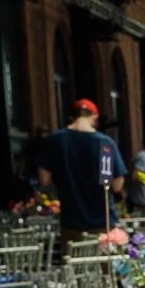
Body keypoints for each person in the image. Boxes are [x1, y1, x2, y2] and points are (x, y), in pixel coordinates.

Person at [36, 99, 127, 244]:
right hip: (103, 223)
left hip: (71, 222)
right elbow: (116, 185)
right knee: (106, 265)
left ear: (71, 117)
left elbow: (44, 180)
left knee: (73, 265)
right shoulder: (105, 144)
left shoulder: (54, 141)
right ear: (95, 117)